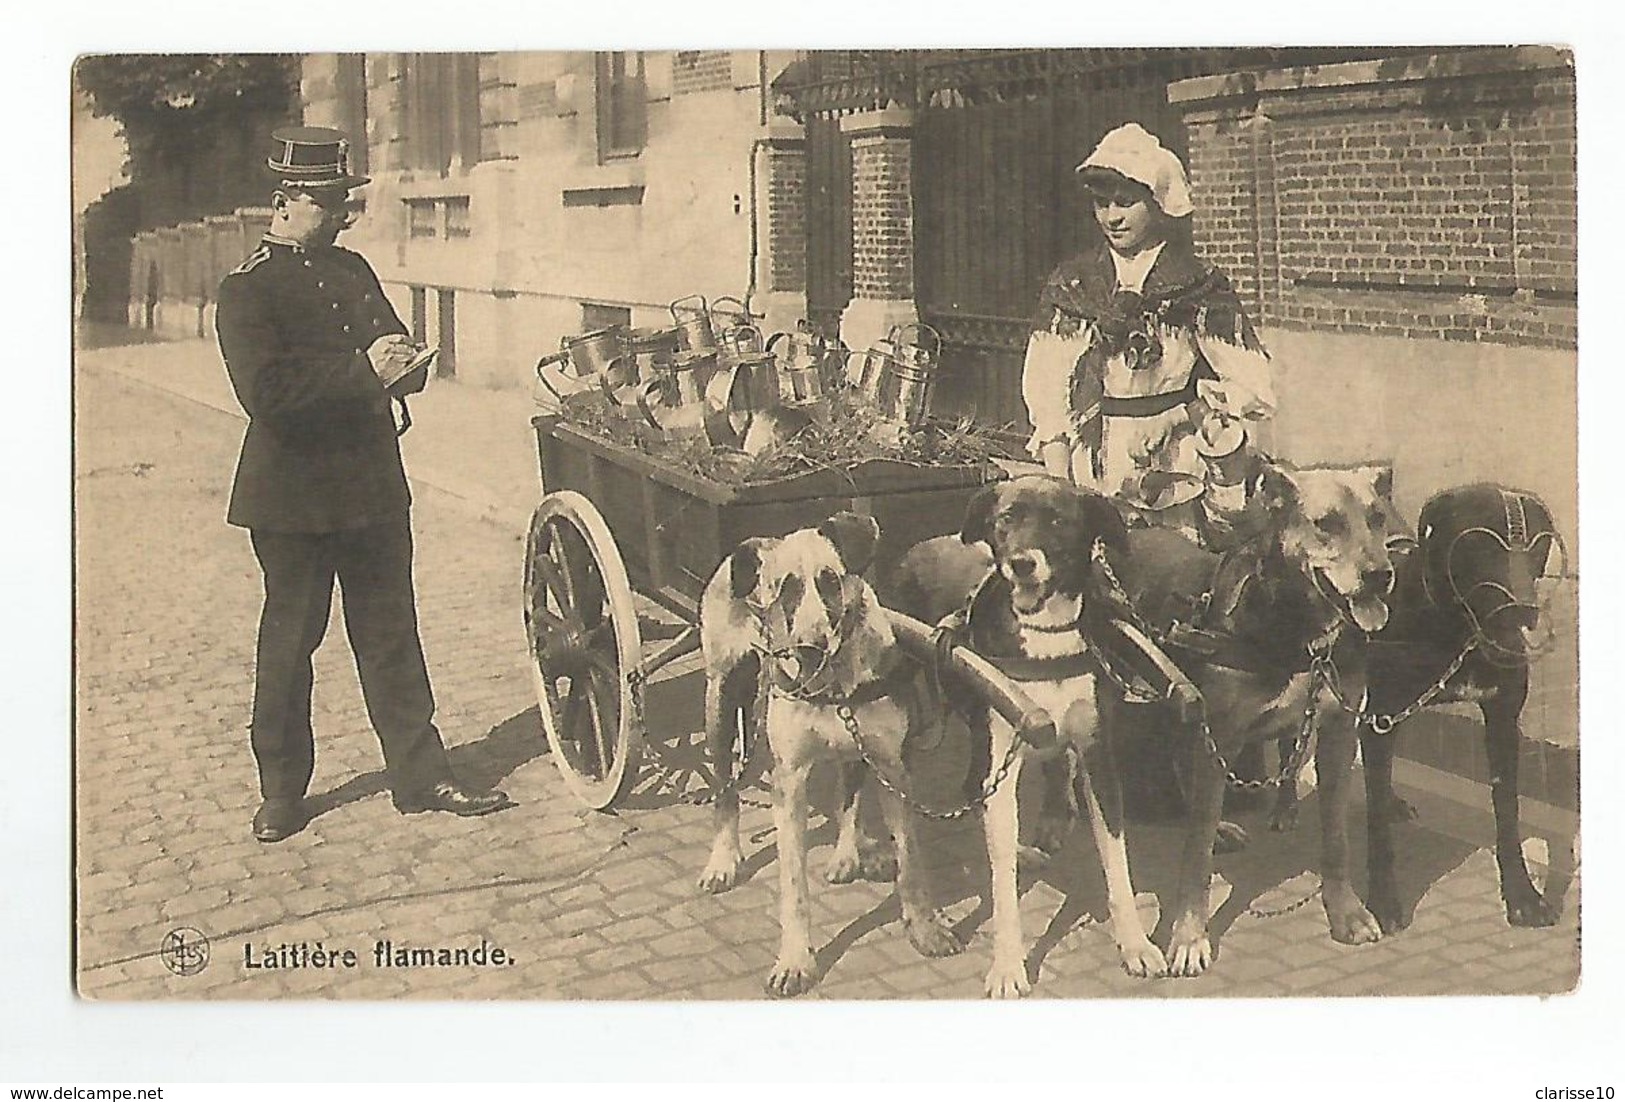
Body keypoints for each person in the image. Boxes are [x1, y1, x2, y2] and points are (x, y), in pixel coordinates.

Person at [216, 126, 509, 842]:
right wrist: (364, 372)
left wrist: (410, 367)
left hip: (372, 487)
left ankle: (421, 776)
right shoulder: (247, 289)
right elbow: (267, 393)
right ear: (284, 202)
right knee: (290, 643)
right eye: (327, 203)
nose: (343, 215)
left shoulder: (353, 271)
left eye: (344, 202)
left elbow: (391, 347)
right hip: (292, 499)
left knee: (390, 635)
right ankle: (282, 791)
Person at [1021, 123, 1277, 547]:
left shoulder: (1197, 283)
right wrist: (1059, 482)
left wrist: (1189, 415)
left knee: (1176, 569)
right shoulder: (1074, 283)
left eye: (1126, 203)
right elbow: (1047, 386)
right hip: (1096, 457)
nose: (1112, 217)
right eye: (1102, 204)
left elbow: (1251, 381)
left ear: (1157, 204)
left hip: (1176, 460)